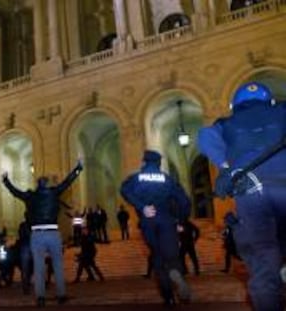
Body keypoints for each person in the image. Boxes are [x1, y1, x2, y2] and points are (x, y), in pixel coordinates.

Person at [197, 81, 286, 311]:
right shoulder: (280, 110)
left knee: (263, 264)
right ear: (270, 100)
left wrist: (228, 167)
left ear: (234, 105)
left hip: (251, 191)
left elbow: (205, 136)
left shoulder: (225, 123)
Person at [2, 160, 83, 308]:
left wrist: (5, 180)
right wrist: (78, 168)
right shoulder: (54, 192)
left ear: (37, 184)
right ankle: (61, 295)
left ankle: (40, 297)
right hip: (52, 233)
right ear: (46, 184)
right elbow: (68, 182)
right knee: (58, 264)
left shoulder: (30, 196)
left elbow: (15, 192)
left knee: (39, 266)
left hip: (37, 234)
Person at [120, 150, 191, 307]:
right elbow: (184, 201)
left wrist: (142, 206)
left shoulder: (136, 178)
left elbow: (124, 190)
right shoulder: (167, 179)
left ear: (144, 162)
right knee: (172, 257)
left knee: (158, 257)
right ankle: (175, 272)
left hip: (148, 222)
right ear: (159, 164)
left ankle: (168, 297)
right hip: (166, 220)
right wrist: (180, 220)